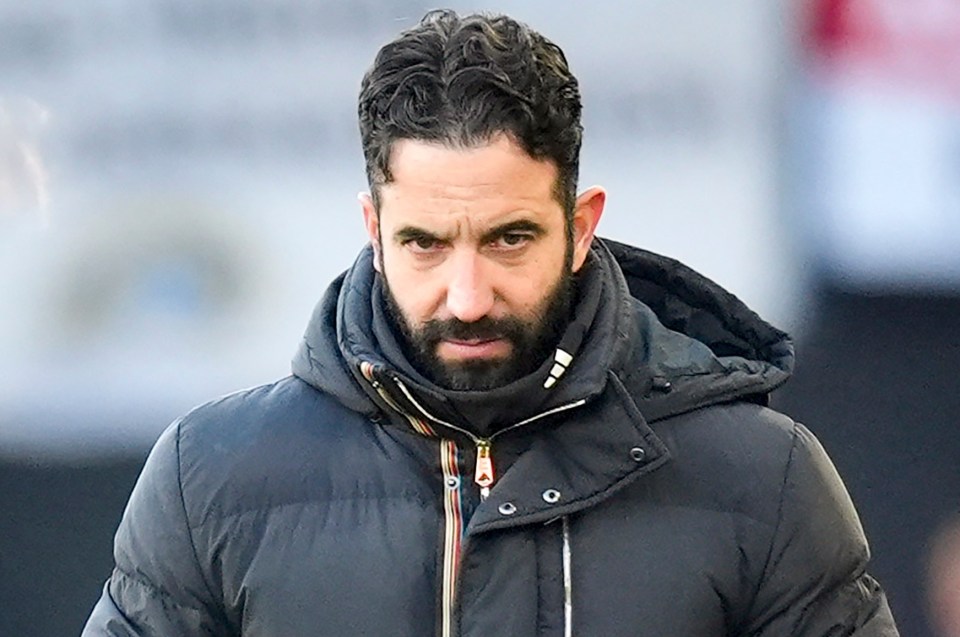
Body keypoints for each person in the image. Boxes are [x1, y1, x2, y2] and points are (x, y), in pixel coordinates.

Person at [83, 9, 900, 636]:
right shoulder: (209, 481)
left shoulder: (763, 481)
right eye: (425, 243)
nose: (467, 294)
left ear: (581, 225)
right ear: (373, 229)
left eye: (509, 239)